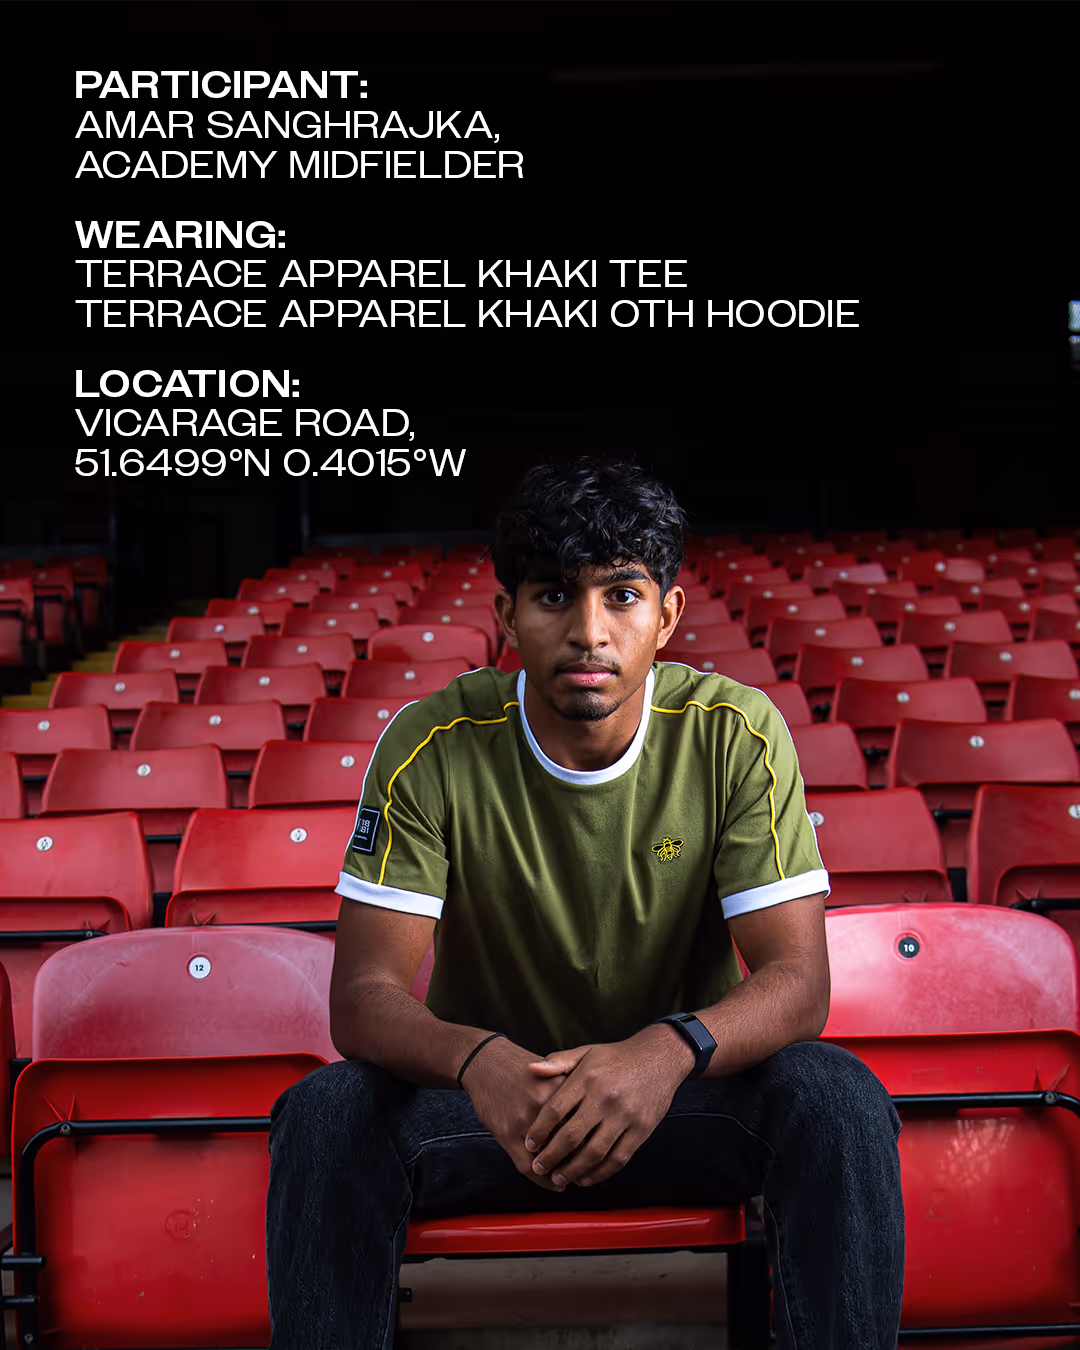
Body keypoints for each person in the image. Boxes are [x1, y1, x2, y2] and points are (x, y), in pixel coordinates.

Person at [266, 458, 905, 1349]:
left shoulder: (736, 732)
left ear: (668, 615)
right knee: (326, 1114)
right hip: (494, 1112)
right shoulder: (429, 744)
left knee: (835, 1097)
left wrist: (665, 1053)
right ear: (507, 616)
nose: (588, 631)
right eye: (555, 596)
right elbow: (361, 997)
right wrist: (481, 1064)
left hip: (679, 1099)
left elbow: (800, 984)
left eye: (622, 596)